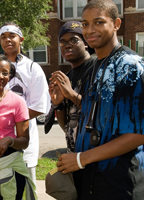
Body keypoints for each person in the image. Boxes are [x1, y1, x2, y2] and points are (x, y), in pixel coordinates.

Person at [56, 0, 144, 199]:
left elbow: (139, 134)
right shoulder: (95, 66)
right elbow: (97, 112)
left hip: (121, 182)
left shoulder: (130, 66)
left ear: (116, 24)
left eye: (99, 22)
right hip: (91, 179)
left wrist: (81, 158)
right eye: (85, 24)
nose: (90, 30)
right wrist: (65, 98)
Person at [0, 22, 51, 185]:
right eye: (3, 37)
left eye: (12, 36)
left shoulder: (32, 68)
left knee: (25, 186)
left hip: (24, 137)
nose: (7, 40)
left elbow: (39, 105)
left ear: (21, 39)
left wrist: (10, 119)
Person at [0, 54, 37, 199]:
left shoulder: (17, 102)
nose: (0, 76)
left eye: (5, 73)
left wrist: (9, 140)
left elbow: (24, 141)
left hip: (9, 167)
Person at [48, 21, 96, 152]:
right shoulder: (68, 76)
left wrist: (70, 94)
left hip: (95, 153)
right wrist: (58, 104)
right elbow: (67, 127)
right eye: (63, 42)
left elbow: (100, 112)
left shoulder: (97, 68)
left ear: (86, 43)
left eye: (74, 40)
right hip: (74, 151)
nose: (67, 45)